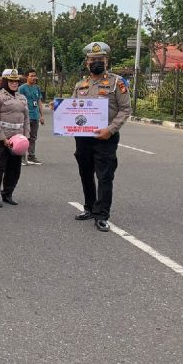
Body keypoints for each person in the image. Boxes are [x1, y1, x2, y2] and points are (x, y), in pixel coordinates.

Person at [73, 42, 131, 232]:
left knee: (104, 176)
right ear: (86, 62)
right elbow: (72, 110)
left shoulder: (117, 83)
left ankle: (102, 215)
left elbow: (125, 109)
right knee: (85, 173)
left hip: (105, 138)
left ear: (106, 61)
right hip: (83, 138)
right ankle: (89, 207)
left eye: (100, 59)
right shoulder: (80, 85)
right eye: (93, 60)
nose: (96, 62)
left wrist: (111, 129)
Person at [0, 68, 29, 208]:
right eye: (11, 81)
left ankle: (7, 194)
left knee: (15, 169)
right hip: (1, 139)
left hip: (18, 139)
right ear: (5, 82)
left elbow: (26, 118)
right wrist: (3, 138)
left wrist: (26, 137)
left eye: (16, 81)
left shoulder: (22, 97)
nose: (14, 83)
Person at [19, 69, 45, 165]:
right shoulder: (22, 88)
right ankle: (22, 157)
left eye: (35, 76)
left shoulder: (37, 87)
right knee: (24, 137)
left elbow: (39, 102)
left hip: (35, 116)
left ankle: (31, 156)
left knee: (33, 137)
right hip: (25, 117)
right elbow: (18, 102)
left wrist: (42, 116)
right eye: (31, 76)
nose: (34, 77)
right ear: (27, 77)